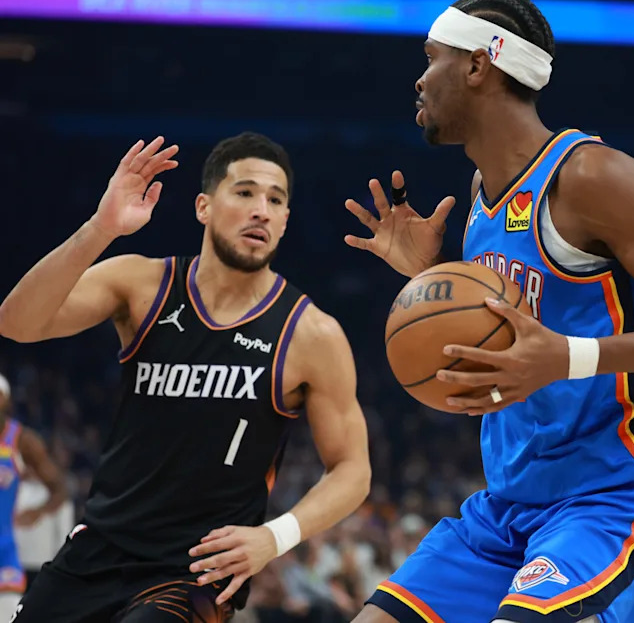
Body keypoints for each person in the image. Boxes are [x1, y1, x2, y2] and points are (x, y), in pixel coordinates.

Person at [344, 0, 634, 623]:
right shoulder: (483, 190)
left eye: (432, 58)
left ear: (479, 65)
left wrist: (568, 358)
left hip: (613, 495)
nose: (419, 79)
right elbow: (507, 337)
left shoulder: (590, 178)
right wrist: (431, 277)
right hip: (507, 505)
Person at [0, 132, 371, 621]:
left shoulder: (310, 333)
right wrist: (100, 229)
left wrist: (273, 537)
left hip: (195, 571)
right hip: (97, 550)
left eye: (275, 200)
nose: (261, 208)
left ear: (284, 221)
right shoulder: (142, 284)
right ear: (204, 206)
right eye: (244, 192)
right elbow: (17, 323)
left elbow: (353, 470)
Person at [0, 373, 66, 621]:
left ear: (4, 400)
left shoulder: (21, 440)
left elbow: (59, 488)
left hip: (3, 551)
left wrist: (38, 512)